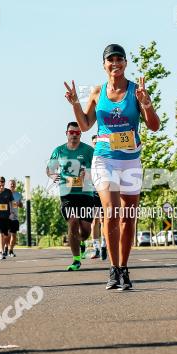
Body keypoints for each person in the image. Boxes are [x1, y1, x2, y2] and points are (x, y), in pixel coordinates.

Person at [64, 43, 160, 290]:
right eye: (110, 60)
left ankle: (124, 269)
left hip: (130, 160)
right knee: (112, 210)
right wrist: (75, 102)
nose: (115, 63)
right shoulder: (98, 92)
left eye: (120, 59)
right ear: (104, 64)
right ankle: (113, 269)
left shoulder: (136, 91)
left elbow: (154, 126)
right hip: (104, 158)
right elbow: (85, 125)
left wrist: (146, 103)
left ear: (126, 63)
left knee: (128, 217)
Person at [47, 122, 96, 271]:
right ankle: (76, 260)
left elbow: (98, 168)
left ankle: (81, 242)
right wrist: (52, 174)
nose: (74, 135)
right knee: (73, 221)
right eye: (71, 132)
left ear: (80, 134)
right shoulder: (59, 151)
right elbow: (50, 169)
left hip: (86, 193)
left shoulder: (89, 150)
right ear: (66, 133)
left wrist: (88, 173)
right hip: (67, 193)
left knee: (86, 230)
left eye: (77, 133)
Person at [89, 134, 107, 261]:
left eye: (97, 142)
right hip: (92, 192)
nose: (96, 144)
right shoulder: (88, 157)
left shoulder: (106, 155)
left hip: (104, 190)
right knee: (94, 221)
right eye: (94, 143)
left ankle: (104, 245)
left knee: (103, 220)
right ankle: (96, 248)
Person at [8, 179, 23, 257]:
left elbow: (21, 205)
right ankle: (5, 248)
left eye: (13, 184)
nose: (12, 185)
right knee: (7, 235)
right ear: (9, 185)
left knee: (14, 235)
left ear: (15, 185)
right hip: (7, 217)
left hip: (15, 217)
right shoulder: (6, 194)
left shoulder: (18, 194)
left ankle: (11, 250)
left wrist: (19, 203)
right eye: (11, 184)